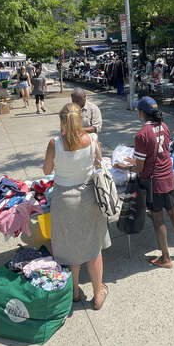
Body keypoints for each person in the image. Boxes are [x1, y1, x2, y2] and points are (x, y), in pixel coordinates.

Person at [43, 103, 110, 309]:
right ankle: (98, 293)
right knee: (93, 247)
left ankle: (73, 292)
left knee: (71, 248)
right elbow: (99, 165)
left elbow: (46, 170)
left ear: (62, 121)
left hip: (64, 198)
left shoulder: (55, 144)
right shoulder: (92, 140)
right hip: (88, 196)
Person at [129, 97, 174, 268]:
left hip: (154, 183)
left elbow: (140, 168)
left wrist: (125, 165)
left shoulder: (141, 135)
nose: (137, 113)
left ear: (142, 112)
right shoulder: (164, 127)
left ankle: (166, 258)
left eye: (138, 110)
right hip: (169, 178)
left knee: (158, 219)